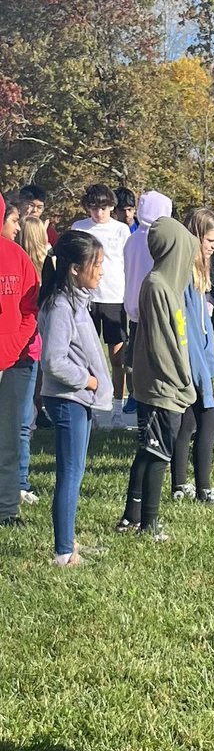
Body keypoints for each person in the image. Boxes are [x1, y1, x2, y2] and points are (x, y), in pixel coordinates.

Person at [116, 217, 198, 540]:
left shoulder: (170, 287)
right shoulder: (156, 287)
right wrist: (182, 380)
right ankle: (147, 523)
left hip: (170, 386)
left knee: (149, 450)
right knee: (156, 454)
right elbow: (163, 345)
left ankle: (131, 518)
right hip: (162, 387)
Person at [38, 230, 112, 563]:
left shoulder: (78, 302)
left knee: (76, 470)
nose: (100, 271)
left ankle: (69, 540)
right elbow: (53, 360)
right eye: (95, 264)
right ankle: (63, 553)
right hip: (68, 399)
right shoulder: (60, 307)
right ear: (73, 268)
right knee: (70, 473)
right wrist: (89, 381)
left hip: (78, 398)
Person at [170, 209, 214, 506]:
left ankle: (181, 484)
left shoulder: (201, 270)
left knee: (188, 423)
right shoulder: (184, 272)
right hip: (191, 361)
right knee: (207, 421)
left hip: (202, 356)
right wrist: (197, 366)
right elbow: (186, 323)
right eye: (210, 240)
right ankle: (201, 487)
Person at [70, 184, 132, 428]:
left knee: (117, 358)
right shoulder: (79, 228)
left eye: (104, 208)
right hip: (86, 298)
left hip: (115, 298)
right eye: (94, 208)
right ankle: (91, 409)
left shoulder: (121, 230)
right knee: (86, 356)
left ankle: (116, 408)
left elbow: (127, 263)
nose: (99, 213)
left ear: (112, 207)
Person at [0, 192, 42, 529]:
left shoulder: (17, 258)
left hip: (13, 362)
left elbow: (30, 309)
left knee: (9, 437)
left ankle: (7, 509)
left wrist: (11, 348)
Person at [122, 190, 174, 421]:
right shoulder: (159, 239)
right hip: (154, 305)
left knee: (135, 351)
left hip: (133, 305)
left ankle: (135, 390)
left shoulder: (132, 239)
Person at [15, 215, 50, 504]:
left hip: (28, 347)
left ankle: (21, 479)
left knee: (24, 416)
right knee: (25, 418)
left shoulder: (30, 266)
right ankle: (21, 480)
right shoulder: (34, 268)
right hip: (29, 348)